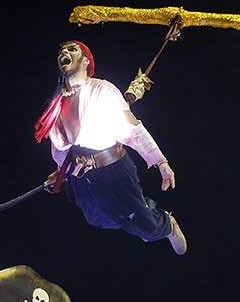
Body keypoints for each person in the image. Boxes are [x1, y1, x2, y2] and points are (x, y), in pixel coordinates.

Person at [33, 40, 186, 253]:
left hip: (112, 169)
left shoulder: (103, 89)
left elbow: (131, 128)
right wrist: (61, 175)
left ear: (86, 61)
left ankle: (166, 225)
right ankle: (137, 221)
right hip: (82, 178)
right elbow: (60, 150)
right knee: (97, 219)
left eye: (72, 49)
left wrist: (160, 162)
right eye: (62, 50)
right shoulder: (55, 106)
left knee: (144, 224)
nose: (64, 52)